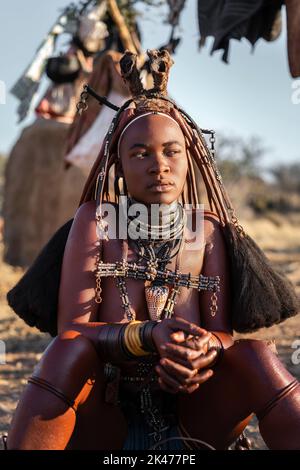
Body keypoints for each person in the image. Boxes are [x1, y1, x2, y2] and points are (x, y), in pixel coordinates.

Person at [6, 49, 300, 450]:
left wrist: (202, 350)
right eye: (140, 154)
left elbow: (222, 334)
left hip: (193, 416)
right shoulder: (97, 222)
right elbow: (70, 331)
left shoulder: (207, 229)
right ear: (119, 166)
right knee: (65, 353)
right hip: (104, 418)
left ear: (190, 159)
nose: (158, 165)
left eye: (171, 152)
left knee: (256, 357)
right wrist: (148, 335)